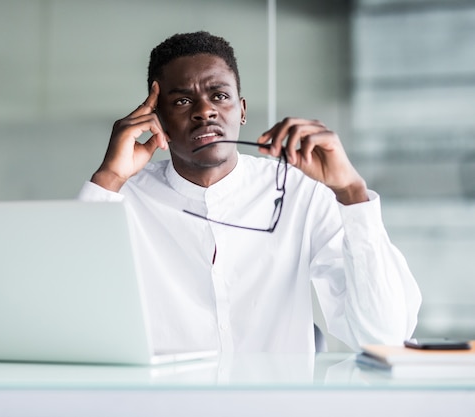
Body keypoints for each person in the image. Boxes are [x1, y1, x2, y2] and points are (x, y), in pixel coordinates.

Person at [78, 31, 421, 352]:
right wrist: (108, 178)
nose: (204, 111)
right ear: (157, 119)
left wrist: (350, 192)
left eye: (220, 96)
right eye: (182, 101)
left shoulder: (301, 191)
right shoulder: (121, 198)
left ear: (241, 111)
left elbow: (384, 336)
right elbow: (76, 319)